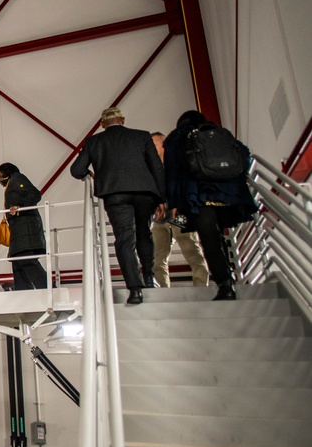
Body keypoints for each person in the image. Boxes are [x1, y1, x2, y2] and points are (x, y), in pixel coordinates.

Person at [70, 107, 165, 304]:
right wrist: (162, 198)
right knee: (144, 233)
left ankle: (135, 289)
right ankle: (149, 278)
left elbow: (77, 170)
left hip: (115, 195)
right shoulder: (142, 137)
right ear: (122, 120)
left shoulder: (94, 141)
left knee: (124, 239)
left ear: (102, 124)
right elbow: (156, 167)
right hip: (144, 193)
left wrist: (89, 174)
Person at [164, 111, 258, 300]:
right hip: (229, 195)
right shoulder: (220, 133)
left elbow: (172, 172)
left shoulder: (178, 138)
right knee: (218, 235)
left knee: (209, 238)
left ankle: (225, 284)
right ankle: (228, 276)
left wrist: (172, 203)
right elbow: (244, 155)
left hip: (199, 195)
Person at [150, 132, 209, 287]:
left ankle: (201, 286)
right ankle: (162, 291)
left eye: (155, 144)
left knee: (191, 250)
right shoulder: (152, 169)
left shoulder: (177, 164)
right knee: (157, 258)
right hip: (159, 218)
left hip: (180, 213)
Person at [0, 163, 48, 290]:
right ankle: (24, 293)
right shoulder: (12, 183)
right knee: (17, 260)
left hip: (25, 229)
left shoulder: (17, 179)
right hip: (19, 230)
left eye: (0, 176)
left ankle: (49, 289)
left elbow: (35, 193)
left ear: (7, 173)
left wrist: (21, 207)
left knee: (24, 258)